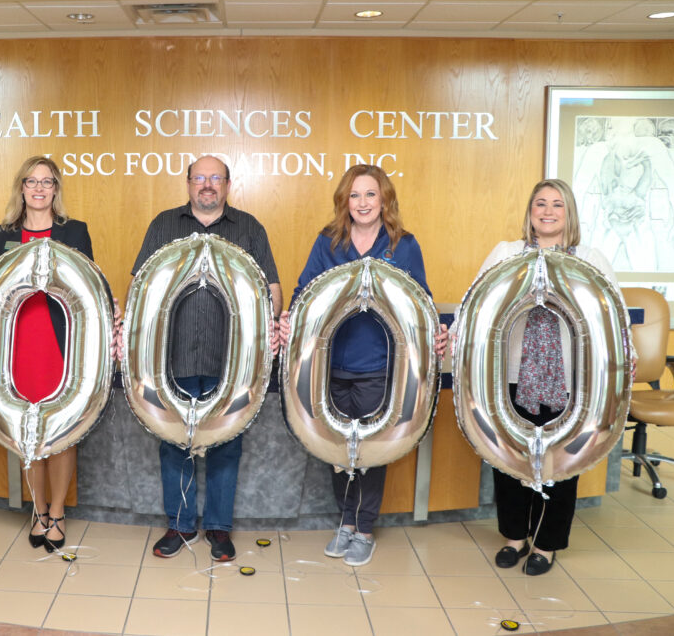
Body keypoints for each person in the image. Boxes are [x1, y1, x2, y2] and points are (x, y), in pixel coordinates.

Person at [456, 178, 636, 575]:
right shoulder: (507, 253)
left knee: (559, 462)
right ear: (530, 212)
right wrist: (451, 343)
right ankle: (514, 538)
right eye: (541, 203)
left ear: (568, 212)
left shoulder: (589, 259)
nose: (548, 211)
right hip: (512, 376)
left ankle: (546, 544)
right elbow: (475, 306)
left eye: (557, 204)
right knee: (511, 459)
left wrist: (629, 358)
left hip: (571, 380)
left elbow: (617, 319)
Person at [277, 164, 446, 567]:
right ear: (344, 201)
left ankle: (364, 528)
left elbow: (420, 300)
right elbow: (305, 292)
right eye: (355, 195)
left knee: (368, 450)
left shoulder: (403, 244)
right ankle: (345, 524)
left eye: (371, 194)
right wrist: (289, 319)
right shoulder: (329, 241)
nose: (363, 202)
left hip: (380, 366)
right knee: (338, 448)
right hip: (331, 367)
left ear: (384, 199)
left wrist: (436, 332)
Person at [132, 154, 282, 562]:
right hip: (171, 358)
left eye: (216, 178)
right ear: (188, 184)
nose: (208, 185)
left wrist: (269, 327)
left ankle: (218, 528)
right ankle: (180, 526)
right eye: (200, 178)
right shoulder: (164, 225)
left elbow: (271, 286)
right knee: (172, 441)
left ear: (228, 185)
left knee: (226, 444)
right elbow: (140, 283)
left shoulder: (249, 228)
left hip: (230, 360)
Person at [0, 155, 106, 553]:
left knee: (62, 431)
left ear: (56, 190)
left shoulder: (75, 231)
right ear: (21, 188)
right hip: (18, 345)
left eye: (47, 182)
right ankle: (37, 511)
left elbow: (91, 285)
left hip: (61, 344)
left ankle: (57, 512)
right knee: (29, 432)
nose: (39, 189)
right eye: (31, 181)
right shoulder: (2, 233)